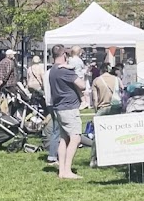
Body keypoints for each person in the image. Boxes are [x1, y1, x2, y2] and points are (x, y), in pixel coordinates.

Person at [48, 44, 85, 179]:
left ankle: (62, 171)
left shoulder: (53, 70)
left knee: (64, 139)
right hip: (69, 108)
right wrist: (74, 70)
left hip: (58, 108)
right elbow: (82, 85)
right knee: (75, 138)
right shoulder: (65, 71)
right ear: (64, 55)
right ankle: (67, 170)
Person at [89, 63, 121, 167]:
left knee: (97, 135)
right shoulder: (116, 79)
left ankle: (93, 159)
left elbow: (95, 99)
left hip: (102, 109)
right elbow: (122, 91)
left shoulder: (97, 80)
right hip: (115, 108)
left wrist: (96, 110)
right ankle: (116, 157)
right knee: (116, 134)